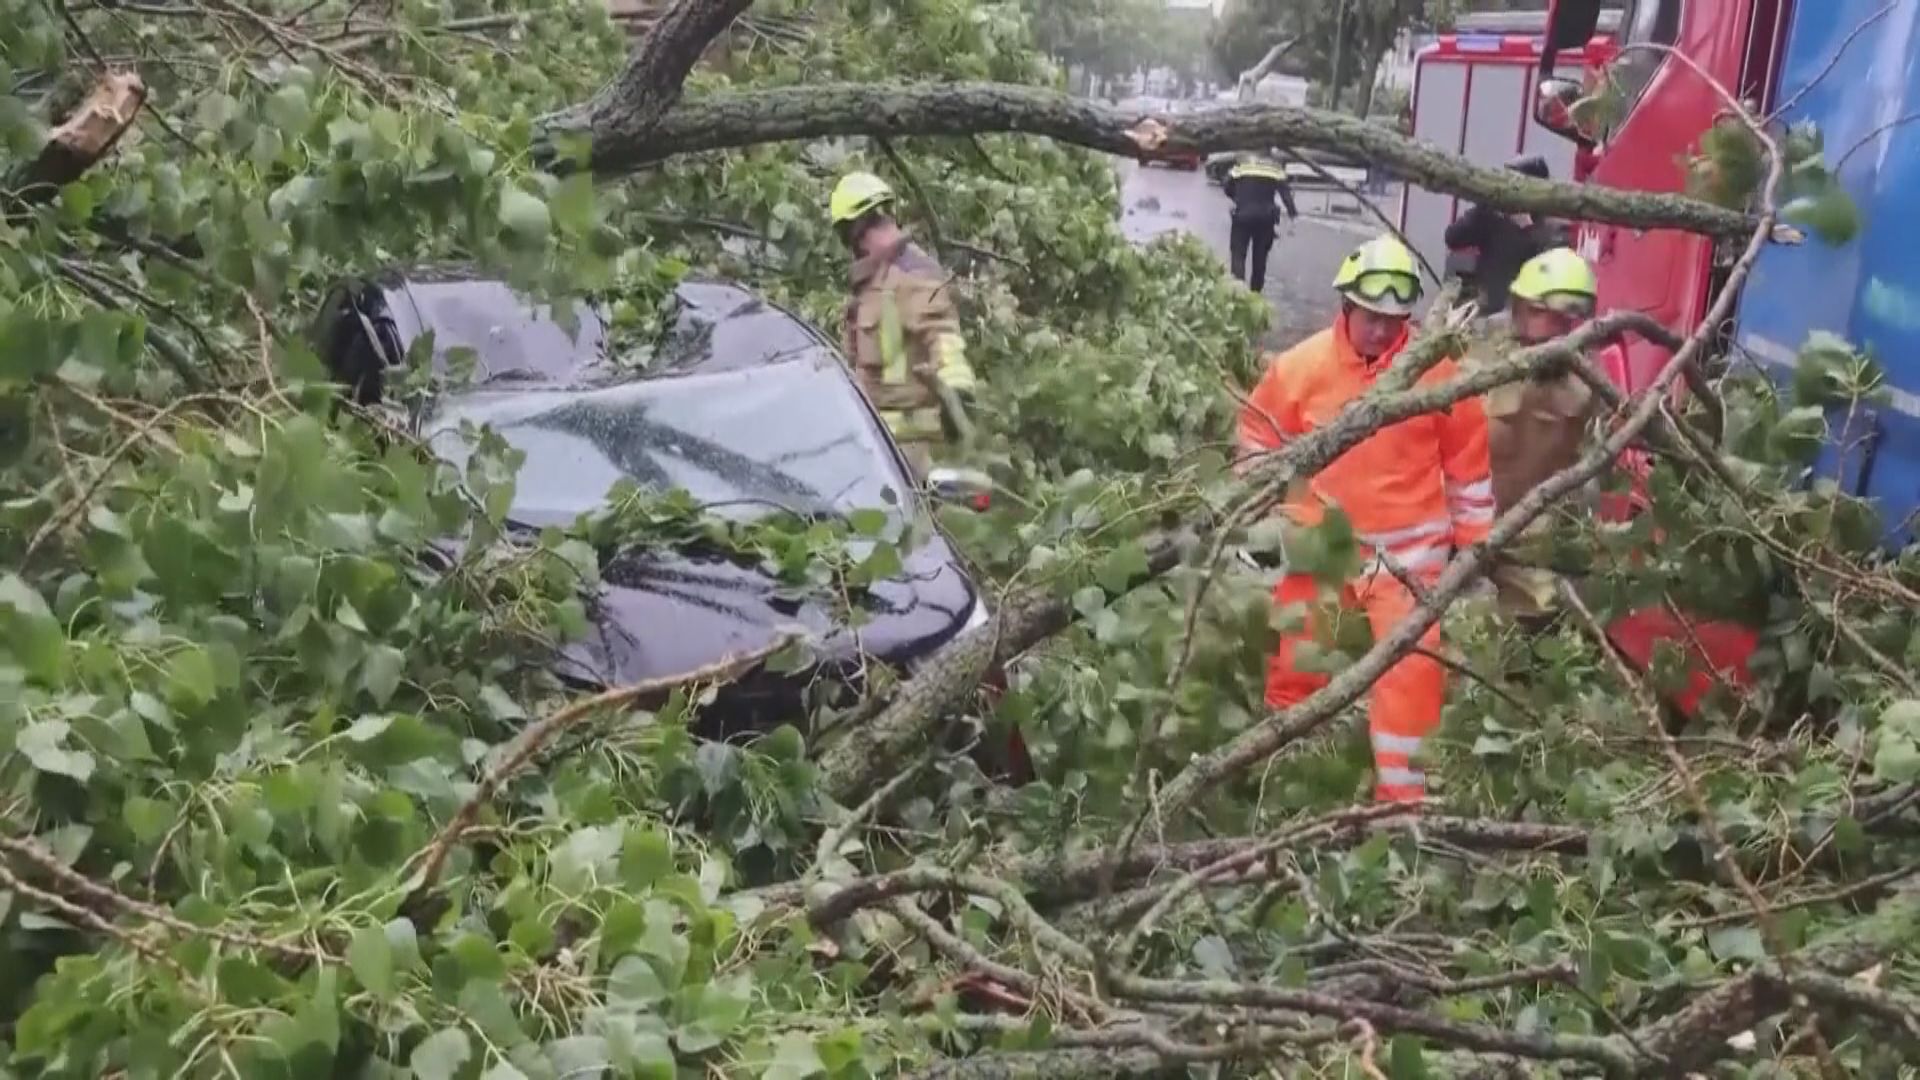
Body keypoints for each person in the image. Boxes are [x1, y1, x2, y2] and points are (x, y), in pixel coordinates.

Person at [1238, 235, 1495, 803]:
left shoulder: (1441, 376)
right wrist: (1260, 522)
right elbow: (1256, 439)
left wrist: (1477, 551)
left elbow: (1468, 473)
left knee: (1412, 679)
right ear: (1347, 307)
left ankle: (1403, 807)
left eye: (1393, 319)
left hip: (1407, 565)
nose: (1381, 331)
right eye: (1371, 317)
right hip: (1318, 551)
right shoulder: (1299, 368)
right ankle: (1291, 779)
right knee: (1294, 670)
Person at [1477, 247, 1604, 631]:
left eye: (1563, 319)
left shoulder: (1588, 385)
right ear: (1517, 308)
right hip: (1462, 531)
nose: (1550, 327)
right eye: (1538, 312)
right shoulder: (1472, 360)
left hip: (1531, 542)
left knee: (1539, 624)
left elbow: (1589, 473)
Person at [829, 171, 979, 480]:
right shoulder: (873, 282)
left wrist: (956, 391)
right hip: (876, 442)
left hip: (910, 449)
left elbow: (942, 334)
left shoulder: (911, 274)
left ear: (855, 231)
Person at [1443, 155, 1570, 315]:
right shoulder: (1491, 217)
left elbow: (1550, 270)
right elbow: (1452, 238)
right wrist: (1483, 208)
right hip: (1489, 309)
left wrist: (1527, 230)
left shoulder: (1553, 228)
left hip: (1530, 314)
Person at [1223, 152, 1299, 294]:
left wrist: (1238, 199)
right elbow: (1285, 194)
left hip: (1242, 215)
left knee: (1238, 255)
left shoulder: (1242, 164)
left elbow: (1227, 186)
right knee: (1260, 259)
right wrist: (1292, 214)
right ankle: (1255, 294)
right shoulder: (1275, 168)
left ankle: (1239, 293)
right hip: (1266, 219)